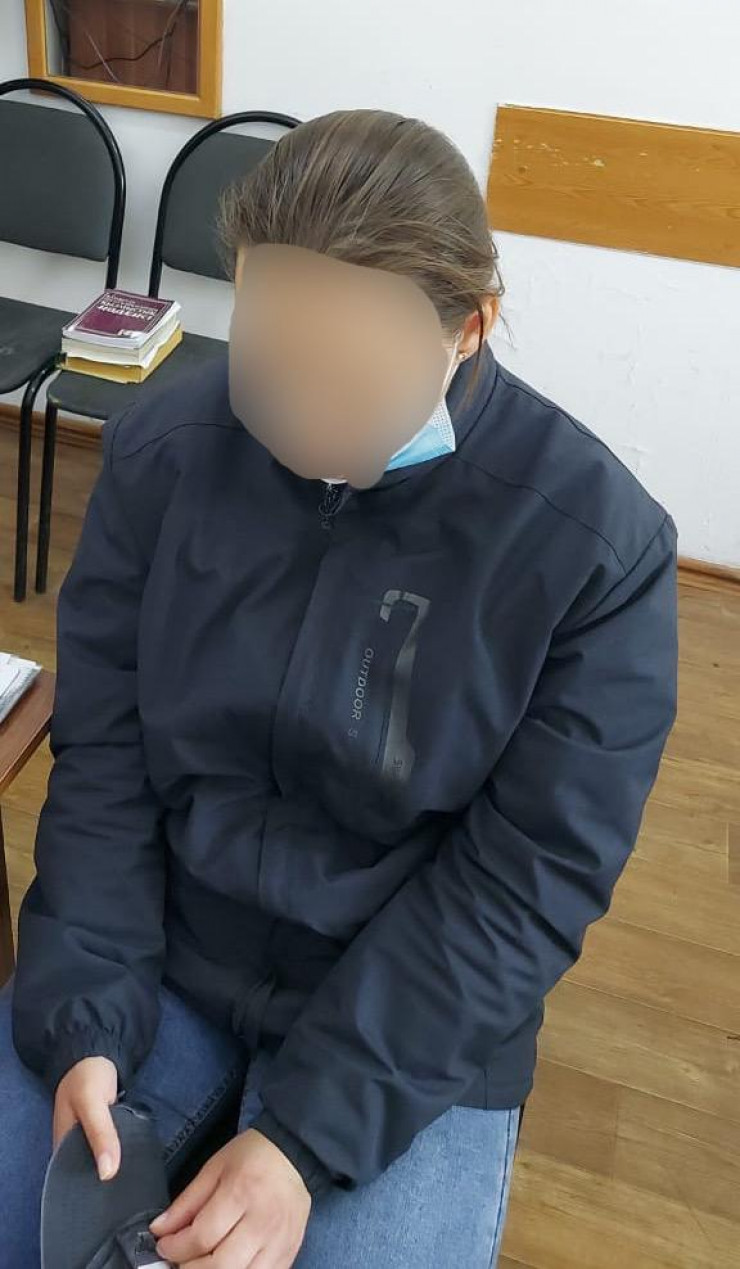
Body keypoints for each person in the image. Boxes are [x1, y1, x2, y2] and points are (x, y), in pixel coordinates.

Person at [1, 109, 678, 1268]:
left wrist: (305, 1139)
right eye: (271, 372)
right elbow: (104, 759)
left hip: (407, 1006)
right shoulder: (166, 450)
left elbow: (523, 883)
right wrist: (87, 1014)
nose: (304, 429)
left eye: (352, 385)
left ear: (467, 329)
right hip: (170, 943)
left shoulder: (591, 552)